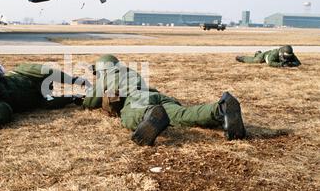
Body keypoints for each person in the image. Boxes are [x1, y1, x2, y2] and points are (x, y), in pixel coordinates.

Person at [82, 55, 246, 146]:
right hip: (156, 96)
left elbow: (90, 102)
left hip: (137, 100)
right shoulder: (127, 71)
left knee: (130, 116)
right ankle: (220, 109)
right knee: (182, 115)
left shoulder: (107, 76)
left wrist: (82, 98)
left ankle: (150, 114)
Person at [235, 45, 301, 68]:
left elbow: (298, 63)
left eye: (289, 56)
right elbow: (270, 63)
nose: (288, 58)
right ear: (282, 53)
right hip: (265, 56)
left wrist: (291, 64)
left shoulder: (290, 54)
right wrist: (281, 64)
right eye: (286, 56)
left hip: (271, 57)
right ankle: (241, 58)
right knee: (256, 60)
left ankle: (258, 53)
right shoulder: (275, 53)